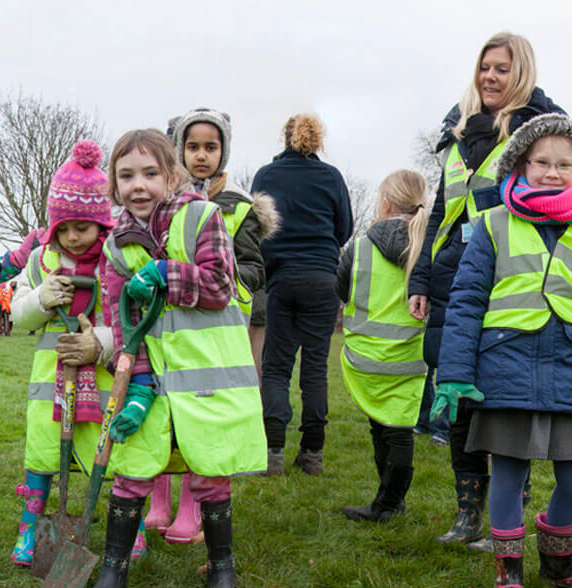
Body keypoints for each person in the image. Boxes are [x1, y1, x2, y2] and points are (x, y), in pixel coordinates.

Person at [85, 128, 264, 588]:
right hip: (153, 381)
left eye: (149, 173)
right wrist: (138, 383)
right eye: (126, 176)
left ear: (171, 175)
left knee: (209, 470)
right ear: (114, 185)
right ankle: (113, 570)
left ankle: (221, 569)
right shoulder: (116, 247)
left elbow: (221, 286)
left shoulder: (202, 218)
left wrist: (166, 274)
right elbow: (118, 321)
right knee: (134, 468)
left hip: (206, 378)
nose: (137, 185)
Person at [409, 32, 564, 552]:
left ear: (520, 72)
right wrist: (420, 279)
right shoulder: (457, 136)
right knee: (459, 398)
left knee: (499, 403)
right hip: (455, 275)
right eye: (484, 68)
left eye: (502, 68)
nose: (490, 77)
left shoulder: (537, 131)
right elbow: (439, 212)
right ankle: (468, 512)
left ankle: (510, 510)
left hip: (510, 280)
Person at [434, 113, 572, 588]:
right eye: (542, 162)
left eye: (565, 164)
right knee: (509, 472)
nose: (553, 173)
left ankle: (557, 558)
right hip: (505, 367)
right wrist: (453, 373)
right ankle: (507, 572)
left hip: (567, 370)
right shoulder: (492, 223)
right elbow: (467, 301)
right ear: (521, 164)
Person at [145, 108, 279, 545]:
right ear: (178, 151)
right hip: (166, 324)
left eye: (211, 147)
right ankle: (158, 500)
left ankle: (193, 507)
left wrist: (220, 272)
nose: (201, 156)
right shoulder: (159, 200)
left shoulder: (235, 207)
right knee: (160, 409)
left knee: (201, 416)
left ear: (223, 152)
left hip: (213, 327)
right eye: (192, 147)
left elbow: (255, 268)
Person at [7, 140, 124, 567]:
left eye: (84, 227)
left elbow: (128, 321)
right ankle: (29, 529)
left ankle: (123, 527)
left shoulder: (114, 263)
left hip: (101, 377)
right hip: (47, 378)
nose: (73, 236)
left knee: (104, 454)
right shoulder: (41, 260)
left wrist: (101, 342)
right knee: (41, 449)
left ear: (102, 225)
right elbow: (19, 316)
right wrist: (41, 297)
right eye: (65, 227)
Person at [251, 113, 353, 475]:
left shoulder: (266, 176)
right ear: (318, 140)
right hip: (323, 280)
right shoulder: (331, 177)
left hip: (281, 278)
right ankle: (312, 453)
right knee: (314, 368)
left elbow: (256, 226)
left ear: (284, 138)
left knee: (276, 367)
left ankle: (273, 451)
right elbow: (344, 229)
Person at [336, 170, 429, 522]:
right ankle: (390, 502)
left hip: (366, 355)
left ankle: (387, 503)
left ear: (386, 203)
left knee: (380, 427)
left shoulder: (359, 247)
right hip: (411, 357)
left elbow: (340, 290)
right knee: (400, 429)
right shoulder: (428, 247)